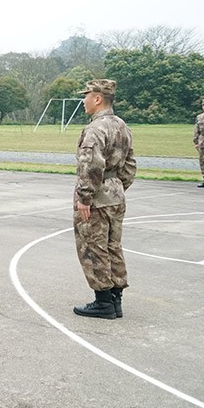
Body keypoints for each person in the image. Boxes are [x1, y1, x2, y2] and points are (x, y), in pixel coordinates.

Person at [72, 79, 136, 320]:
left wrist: (85, 198)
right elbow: (130, 165)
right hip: (115, 194)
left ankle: (103, 302)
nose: (84, 100)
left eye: (86, 95)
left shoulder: (95, 129)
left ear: (97, 98)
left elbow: (90, 166)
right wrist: (117, 187)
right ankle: (115, 300)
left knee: (94, 248)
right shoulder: (121, 125)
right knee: (113, 247)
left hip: (97, 197)